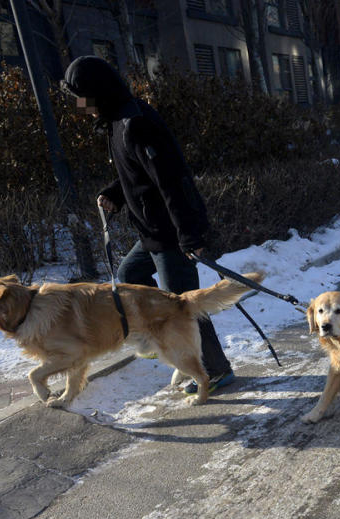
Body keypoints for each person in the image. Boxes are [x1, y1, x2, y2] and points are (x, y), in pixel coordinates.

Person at [61, 55, 236, 394]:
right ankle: (160, 340)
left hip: (172, 234)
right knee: (129, 276)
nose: (80, 107)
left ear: (99, 93)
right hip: (152, 231)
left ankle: (216, 370)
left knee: (186, 305)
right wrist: (115, 192)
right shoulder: (116, 122)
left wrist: (190, 235)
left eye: (82, 99)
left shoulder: (136, 123)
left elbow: (171, 180)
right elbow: (135, 173)